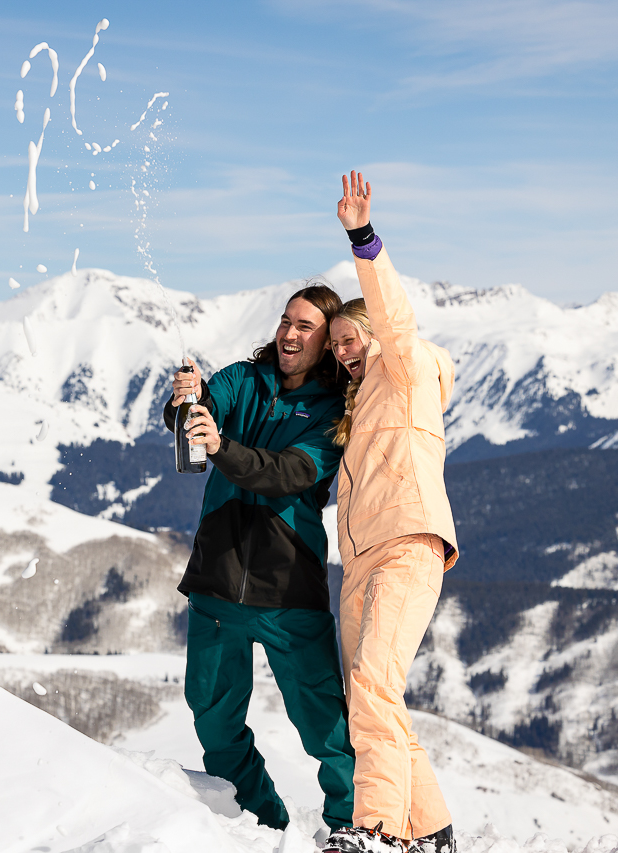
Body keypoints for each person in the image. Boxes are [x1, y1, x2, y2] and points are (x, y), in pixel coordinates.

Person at [165, 284, 358, 833]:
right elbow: (197, 411)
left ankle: (348, 826)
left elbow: (286, 474)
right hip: (216, 582)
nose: (289, 334)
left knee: (325, 726)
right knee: (214, 722)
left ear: (326, 344)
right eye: (285, 321)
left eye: (305, 328)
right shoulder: (241, 379)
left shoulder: (333, 412)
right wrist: (187, 399)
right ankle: (260, 824)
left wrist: (221, 446)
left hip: (287, 588)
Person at [320, 171, 458, 853]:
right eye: (337, 342)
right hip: (359, 564)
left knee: (375, 687)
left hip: (407, 545)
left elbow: (395, 315)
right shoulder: (358, 403)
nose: (344, 349)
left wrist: (361, 236)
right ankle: (432, 834)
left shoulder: (403, 369)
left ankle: (377, 829)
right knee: (375, 703)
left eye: (352, 336)